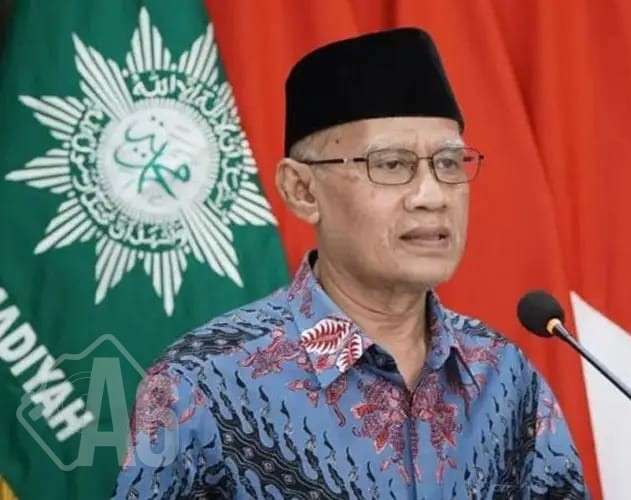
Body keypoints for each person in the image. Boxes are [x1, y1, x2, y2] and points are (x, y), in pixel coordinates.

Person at [112, 27, 589, 499]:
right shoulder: (202, 382)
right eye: (391, 164)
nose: (432, 196)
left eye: (448, 164)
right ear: (302, 190)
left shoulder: (503, 376)